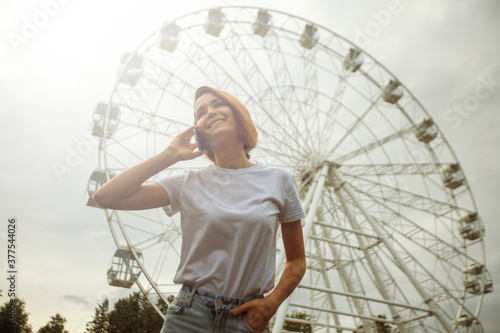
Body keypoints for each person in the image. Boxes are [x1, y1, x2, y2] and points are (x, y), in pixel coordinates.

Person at [94, 86, 307, 333]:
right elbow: (106, 196)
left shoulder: (280, 180)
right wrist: (170, 154)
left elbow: (297, 260)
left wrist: (271, 303)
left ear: (238, 114)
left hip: (247, 319)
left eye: (218, 104)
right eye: (201, 112)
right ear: (198, 131)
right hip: (188, 315)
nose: (210, 112)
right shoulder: (187, 182)